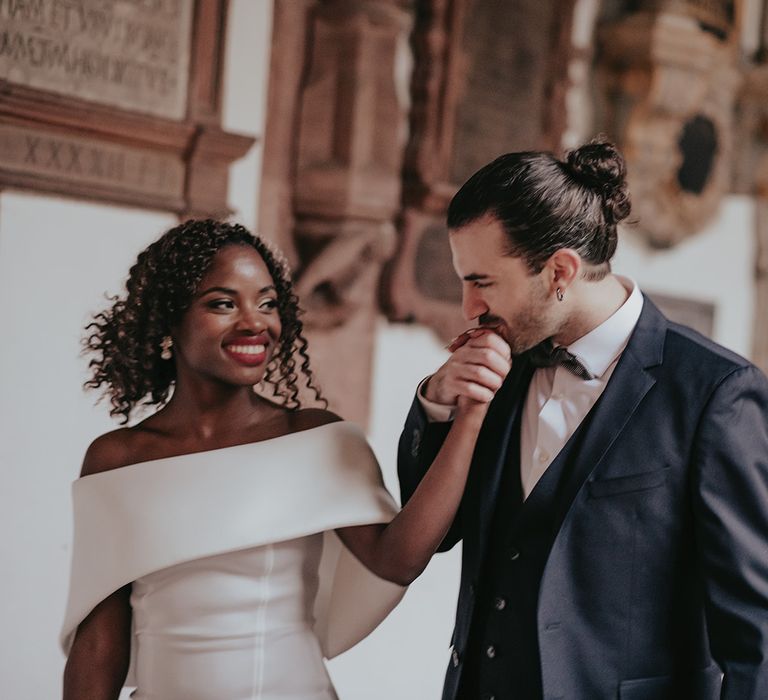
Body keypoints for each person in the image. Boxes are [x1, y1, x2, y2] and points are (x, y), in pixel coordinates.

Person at [61, 219, 501, 700]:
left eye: (267, 302)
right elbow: (99, 644)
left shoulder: (315, 438)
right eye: (223, 303)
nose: (255, 322)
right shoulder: (117, 459)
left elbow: (398, 560)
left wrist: (471, 417)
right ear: (171, 318)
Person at [397, 141, 768, 700]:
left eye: (483, 281)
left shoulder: (716, 393)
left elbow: (757, 630)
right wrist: (438, 402)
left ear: (560, 270)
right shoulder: (497, 365)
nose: (469, 306)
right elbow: (437, 532)